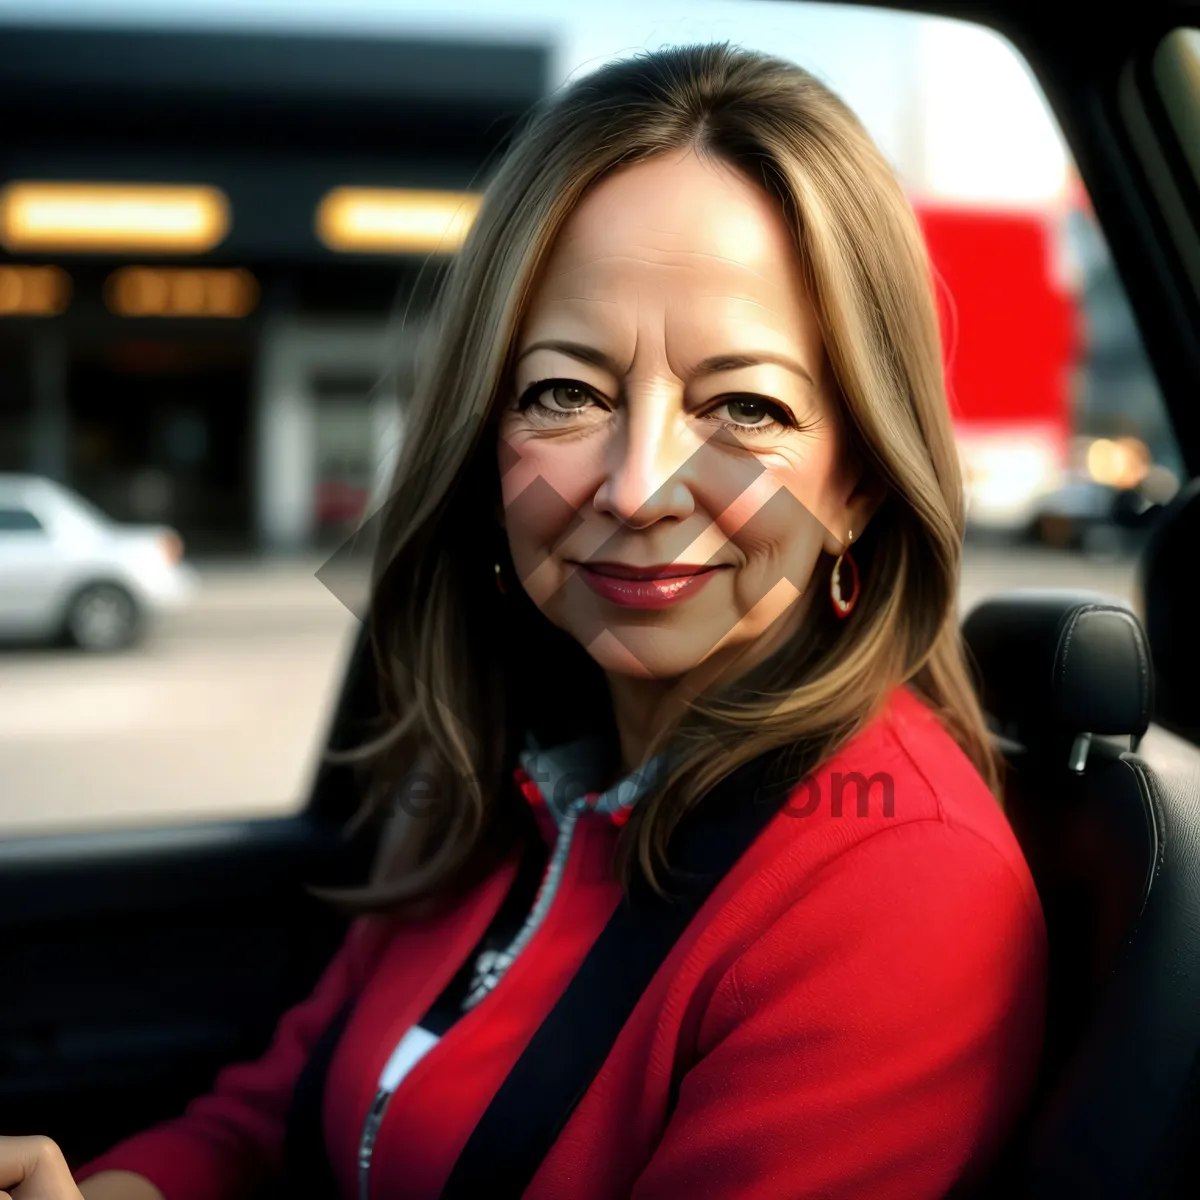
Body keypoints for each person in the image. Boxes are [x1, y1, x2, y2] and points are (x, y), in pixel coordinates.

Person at [2, 42, 1046, 1200]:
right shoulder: (524, 771)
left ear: (859, 480)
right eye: (567, 393)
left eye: (745, 404)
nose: (638, 484)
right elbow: (280, 1111)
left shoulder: (896, 890)